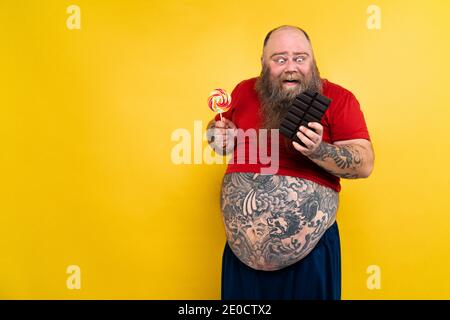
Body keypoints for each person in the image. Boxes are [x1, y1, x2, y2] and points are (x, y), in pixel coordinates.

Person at [207, 25, 374, 300]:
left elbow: (364, 164)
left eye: (300, 57)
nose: (291, 67)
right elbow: (219, 142)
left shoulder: (340, 99)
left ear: (313, 60)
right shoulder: (243, 91)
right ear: (264, 63)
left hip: (310, 258)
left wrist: (317, 150)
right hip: (241, 257)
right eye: (280, 59)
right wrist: (217, 135)